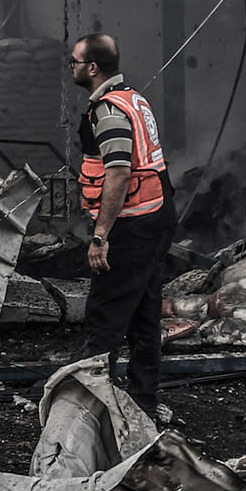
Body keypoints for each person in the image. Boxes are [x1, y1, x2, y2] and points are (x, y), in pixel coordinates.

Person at [69, 33, 176, 423]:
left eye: (74, 61)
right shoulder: (134, 98)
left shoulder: (109, 111)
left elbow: (117, 173)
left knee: (106, 315)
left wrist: (100, 236)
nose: (71, 67)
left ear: (92, 68)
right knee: (145, 313)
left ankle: (90, 408)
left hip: (133, 225)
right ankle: (143, 401)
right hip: (156, 215)